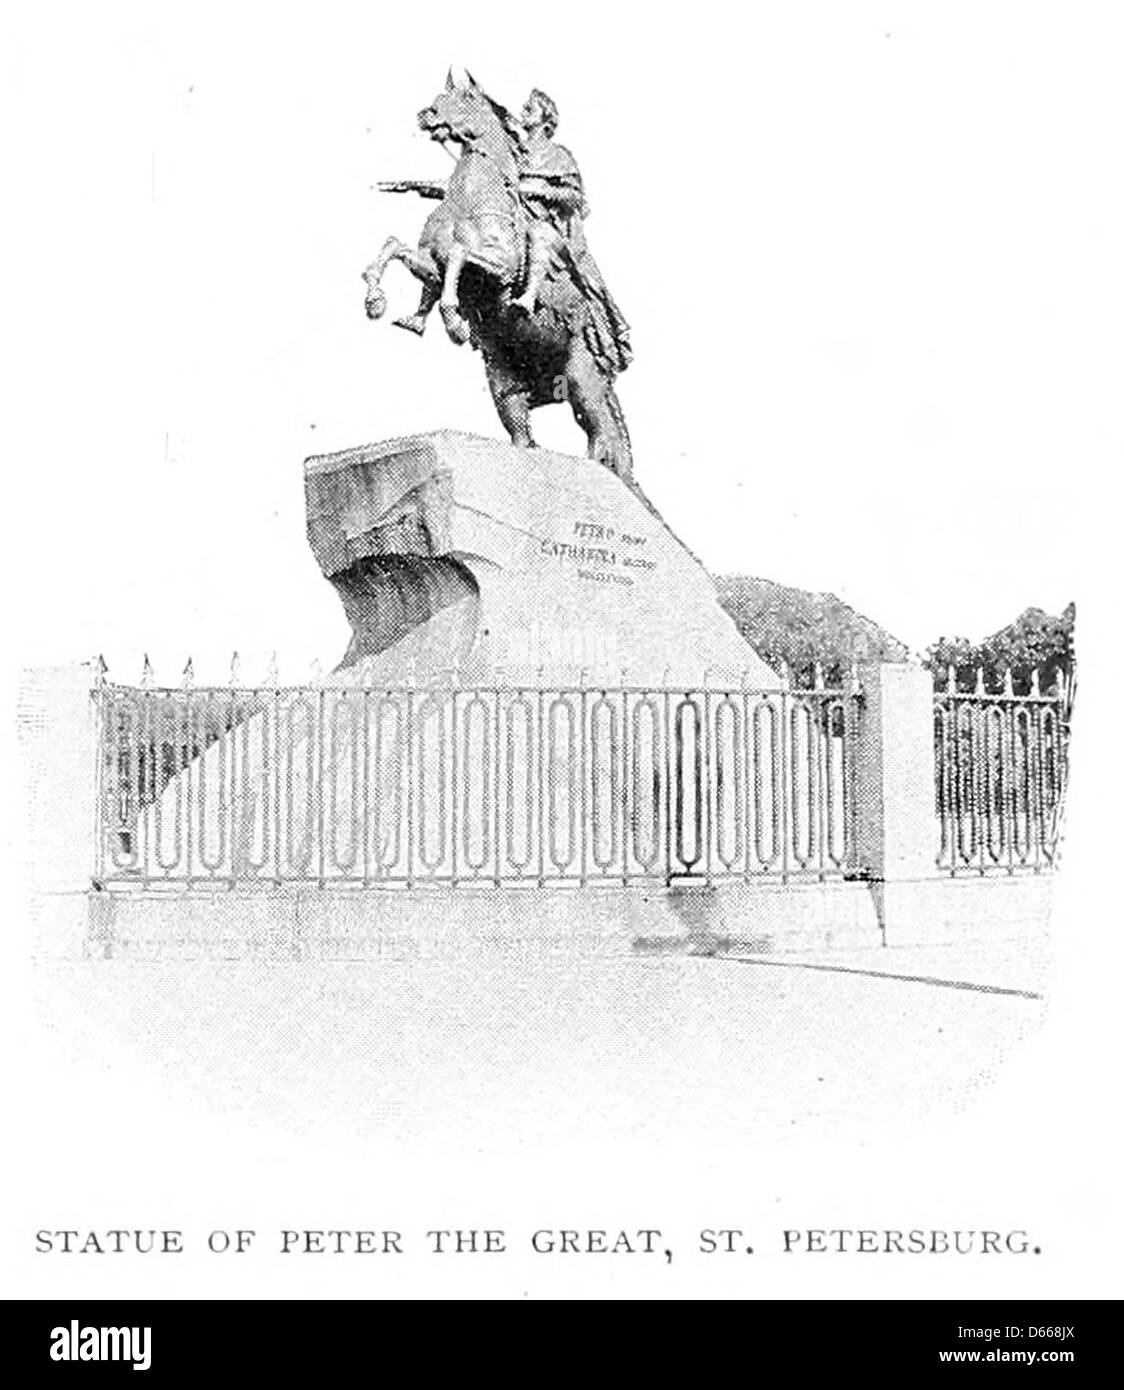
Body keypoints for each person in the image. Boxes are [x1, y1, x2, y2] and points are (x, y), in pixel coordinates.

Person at [510, 90, 632, 371]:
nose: (524, 108)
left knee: (538, 234)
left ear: (546, 122)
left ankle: (528, 297)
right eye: (525, 104)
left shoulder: (558, 155)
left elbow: (575, 197)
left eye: (532, 107)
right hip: (514, 226)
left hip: (547, 231)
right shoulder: (513, 153)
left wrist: (539, 189)